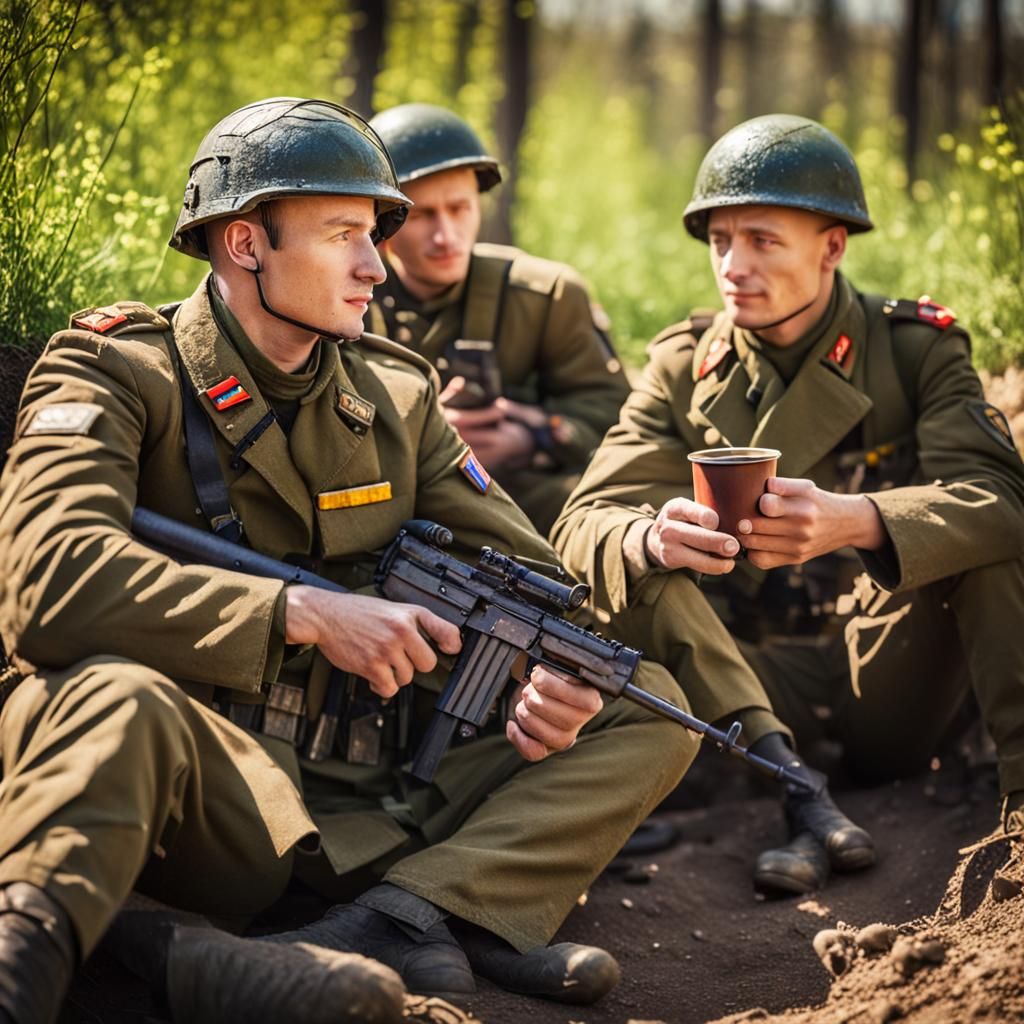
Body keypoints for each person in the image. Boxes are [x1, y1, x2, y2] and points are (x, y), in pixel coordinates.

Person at [0, 98, 699, 1024]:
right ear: (246, 244)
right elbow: (49, 582)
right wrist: (301, 613)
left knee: (648, 707)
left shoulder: (396, 392)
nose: (377, 265)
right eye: (343, 235)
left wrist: (552, 674)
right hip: (219, 795)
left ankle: (401, 914)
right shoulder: (118, 372)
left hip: (389, 792)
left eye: (373, 235)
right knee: (107, 702)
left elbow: (530, 574)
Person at [553, 113, 1024, 893]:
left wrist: (857, 518)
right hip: (745, 685)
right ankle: (786, 790)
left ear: (832, 246)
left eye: (763, 240)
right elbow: (578, 523)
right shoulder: (683, 367)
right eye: (720, 242)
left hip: (887, 671)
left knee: (987, 544)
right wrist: (650, 537)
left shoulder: (912, 349)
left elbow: (1004, 498)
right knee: (627, 559)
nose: (734, 265)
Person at [365, 103, 631, 535]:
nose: (446, 236)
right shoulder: (345, 302)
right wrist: (426, 436)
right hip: (387, 505)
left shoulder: (546, 296)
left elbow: (617, 420)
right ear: (381, 220)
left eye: (460, 208)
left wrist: (536, 438)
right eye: (422, 215)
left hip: (520, 505)